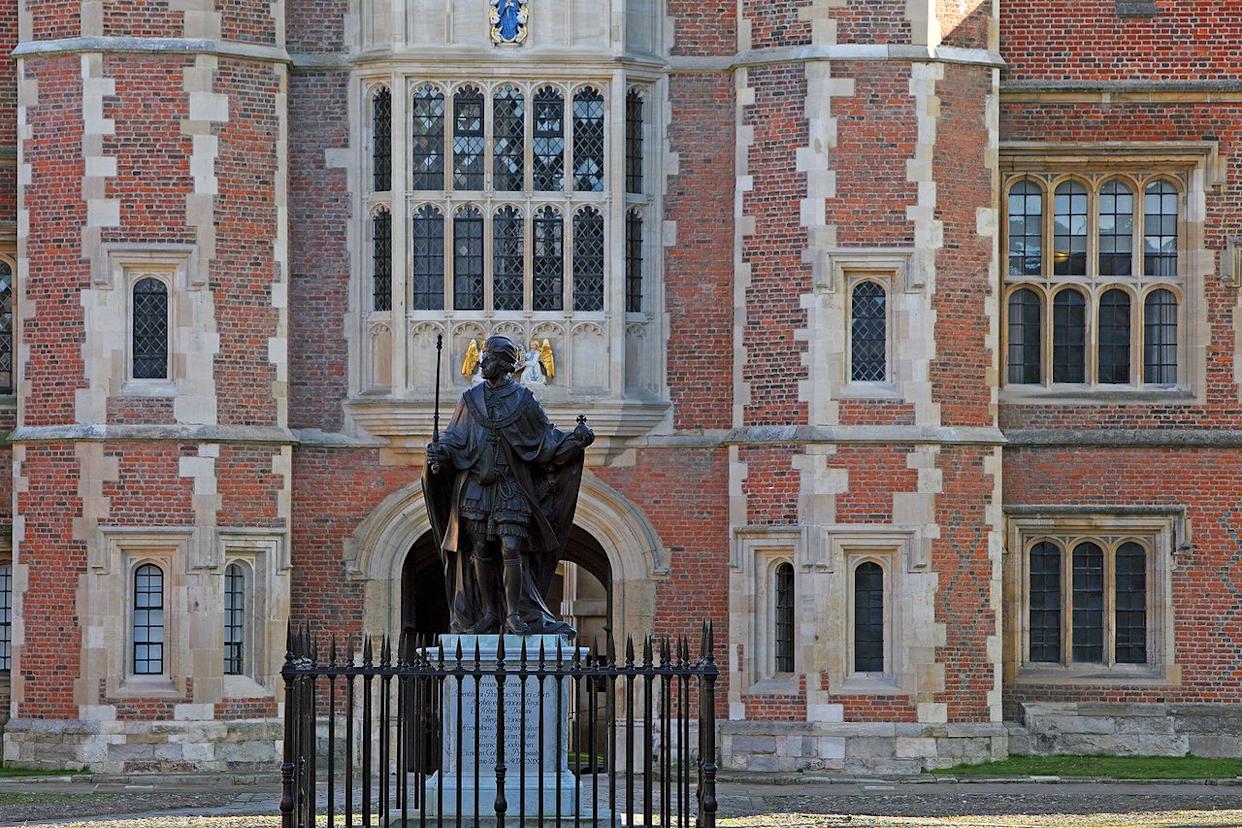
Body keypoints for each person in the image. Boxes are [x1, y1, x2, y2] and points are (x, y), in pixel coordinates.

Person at [423, 335, 594, 635]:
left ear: (503, 365)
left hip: (510, 486)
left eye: (488, 358)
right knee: (480, 549)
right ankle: (490, 613)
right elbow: (455, 438)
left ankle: (514, 614)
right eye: (484, 357)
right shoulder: (470, 399)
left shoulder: (524, 400)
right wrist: (442, 452)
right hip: (476, 486)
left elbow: (544, 438)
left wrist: (575, 440)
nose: (482, 362)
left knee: (511, 546)